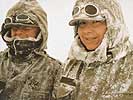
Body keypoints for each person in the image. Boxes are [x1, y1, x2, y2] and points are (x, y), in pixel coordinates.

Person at [58, 0, 133, 100]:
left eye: (96, 22)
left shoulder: (129, 65)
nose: (87, 30)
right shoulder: (71, 64)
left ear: (113, 26)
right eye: (82, 23)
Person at [0, 0, 62, 100]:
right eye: (14, 28)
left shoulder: (54, 70)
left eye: (26, 28)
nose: (18, 33)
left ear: (41, 31)